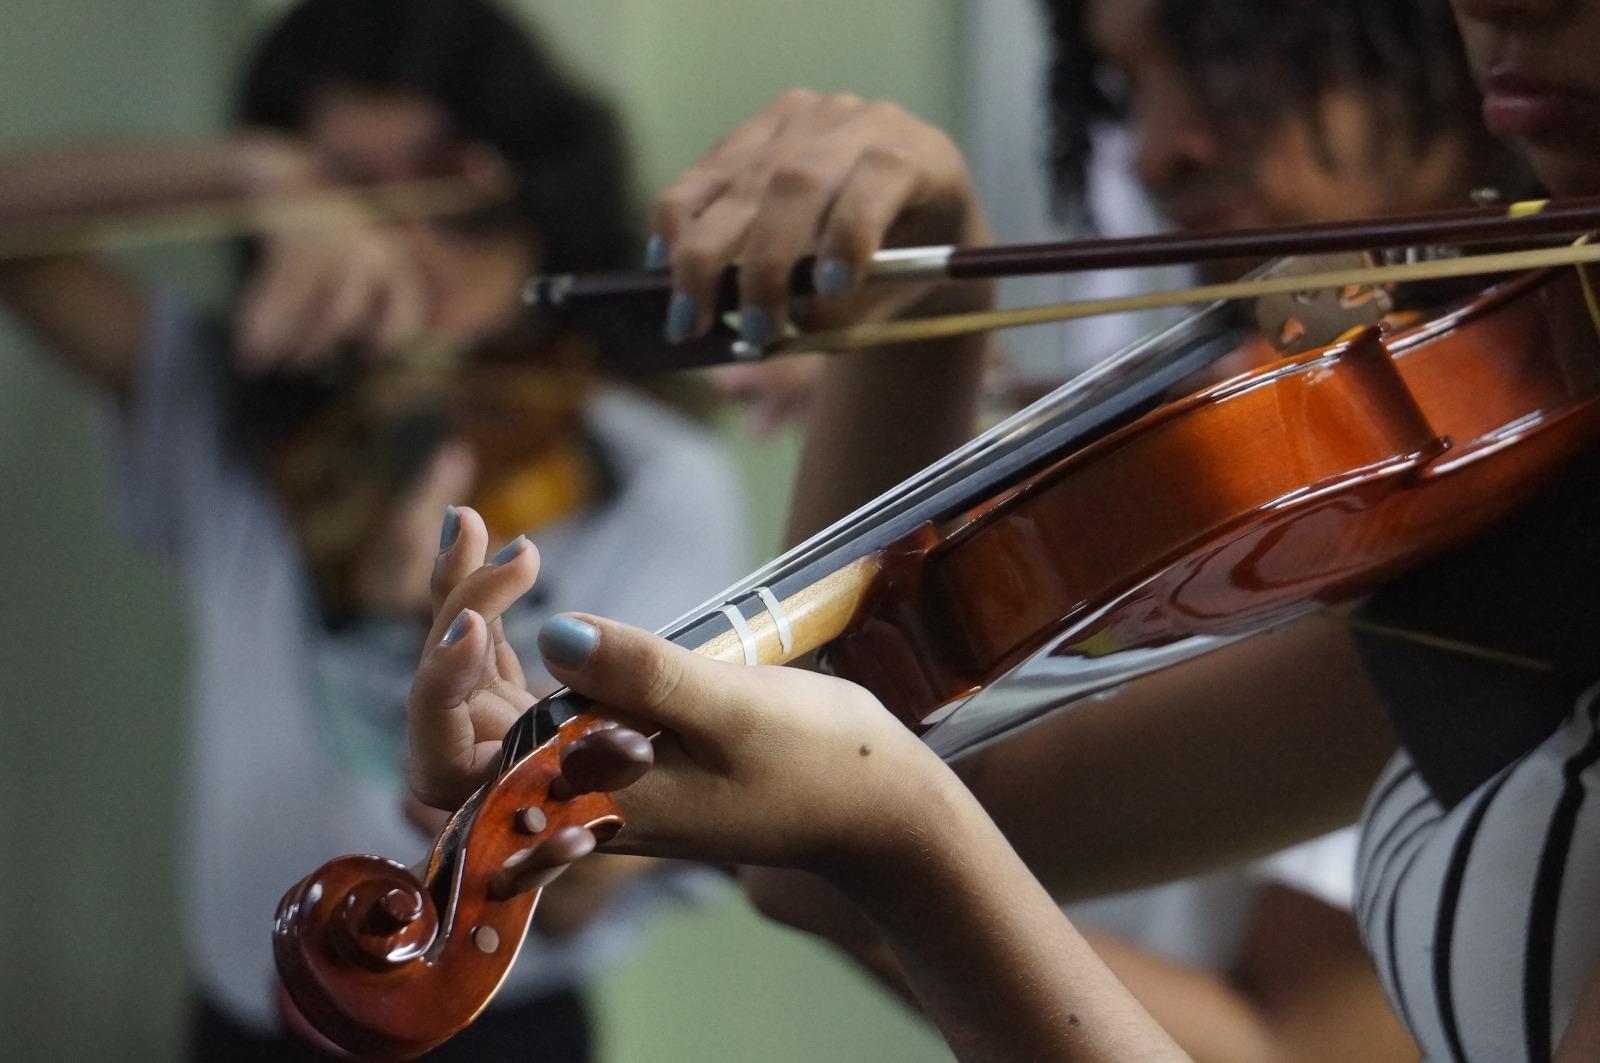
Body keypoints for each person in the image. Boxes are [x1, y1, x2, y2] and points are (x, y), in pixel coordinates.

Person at [404, 0, 1600, 1059]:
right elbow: (863, 811)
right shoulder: (1513, 483)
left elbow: (909, 808)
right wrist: (926, 290)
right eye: (1130, 87)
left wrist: (907, 838)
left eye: (1225, 47)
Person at [0, 1, 741, 1059]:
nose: (402, 245)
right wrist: (248, 176)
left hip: (492, 1031)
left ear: (529, 189)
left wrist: (410, 648)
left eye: (444, 193)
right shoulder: (236, 404)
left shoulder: (648, 473)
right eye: (349, 196)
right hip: (243, 1020)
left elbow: (581, 893)